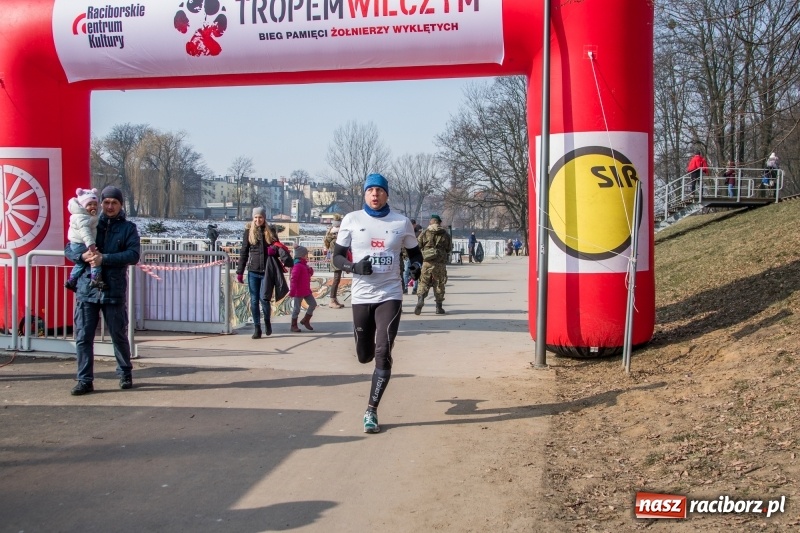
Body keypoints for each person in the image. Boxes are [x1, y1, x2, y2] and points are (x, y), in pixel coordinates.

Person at [332, 173, 423, 434]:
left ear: (386, 194)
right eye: (370, 190)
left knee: (383, 351)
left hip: (390, 294)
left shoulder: (401, 222)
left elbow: (415, 254)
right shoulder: (352, 220)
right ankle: (369, 352)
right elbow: (336, 257)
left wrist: (416, 266)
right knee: (364, 355)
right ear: (364, 194)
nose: (375, 194)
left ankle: (371, 410)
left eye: (379, 190)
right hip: (362, 296)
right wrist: (354, 267)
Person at [64, 186, 141, 395]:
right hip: (87, 289)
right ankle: (84, 380)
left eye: (114, 203)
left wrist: (104, 259)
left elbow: (133, 255)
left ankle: (125, 373)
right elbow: (69, 247)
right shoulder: (89, 221)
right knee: (83, 337)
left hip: (113, 289)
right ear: (101, 203)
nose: (109, 206)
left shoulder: (128, 228)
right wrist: (82, 257)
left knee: (118, 335)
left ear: (120, 205)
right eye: (106, 202)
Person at [236, 208, 278, 339]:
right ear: (253, 218)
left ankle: (267, 321)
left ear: (264, 218)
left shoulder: (270, 231)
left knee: (264, 299)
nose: (258, 220)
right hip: (253, 271)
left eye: (260, 217)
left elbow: (278, 247)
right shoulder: (248, 232)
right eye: (255, 217)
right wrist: (240, 272)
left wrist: (273, 250)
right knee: (254, 300)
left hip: (266, 271)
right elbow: (244, 252)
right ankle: (257, 327)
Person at [64, 187, 106, 292]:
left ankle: (72, 280)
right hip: (82, 243)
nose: (93, 207)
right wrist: (91, 246)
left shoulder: (83, 216)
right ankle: (95, 278)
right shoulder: (83, 218)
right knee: (94, 257)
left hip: (77, 244)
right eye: (89, 204)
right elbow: (85, 233)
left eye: (95, 204)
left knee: (81, 263)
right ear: (82, 206)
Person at [415, 214, 453, 316]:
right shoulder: (445, 234)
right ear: (439, 222)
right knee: (439, 284)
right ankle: (438, 307)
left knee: (423, 282)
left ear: (431, 222)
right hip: (440, 264)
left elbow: (418, 246)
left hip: (427, 263)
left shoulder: (425, 232)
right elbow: (449, 248)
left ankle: (421, 299)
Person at [289, 245, 317, 332]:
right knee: (296, 309)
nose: (307, 256)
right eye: (306, 254)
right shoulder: (297, 265)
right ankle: (293, 325)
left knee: (313, 304)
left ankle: (306, 320)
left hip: (306, 290)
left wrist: (310, 271)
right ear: (302, 255)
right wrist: (292, 291)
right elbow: (293, 279)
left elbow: (306, 276)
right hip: (298, 291)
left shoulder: (303, 265)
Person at [323, 216, 345, 308]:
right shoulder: (335, 239)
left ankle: (334, 299)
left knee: (337, 279)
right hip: (336, 259)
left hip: (335, 258)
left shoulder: (331, 237)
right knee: (336, 279)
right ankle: (332, 300)